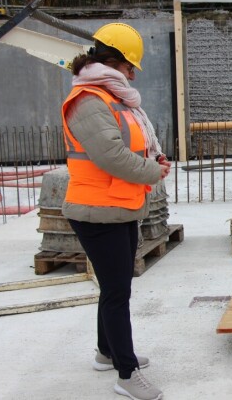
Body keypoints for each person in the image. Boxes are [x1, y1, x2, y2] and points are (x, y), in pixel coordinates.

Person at [62, 22, 169, 400]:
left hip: (119, 206)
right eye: (130, 67)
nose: (134, 74)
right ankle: (127, 373)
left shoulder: (114, 99)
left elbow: (131, 144)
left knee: (114, 287)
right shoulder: (89, 101)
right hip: (96, 210)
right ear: (112, 61)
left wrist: (154, 156)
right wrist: (153, 171)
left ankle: (106, 352)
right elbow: (110, 156)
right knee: (117, 293)